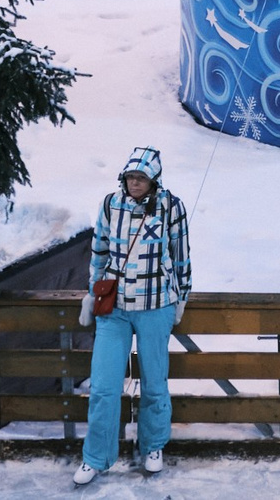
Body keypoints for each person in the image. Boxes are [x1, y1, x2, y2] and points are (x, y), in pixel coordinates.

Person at [79, 147, 192, 483]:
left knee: (155, 382)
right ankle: (96, 457)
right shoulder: (109, 205)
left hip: (157, 307)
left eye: (141, 178)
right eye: (131, 177)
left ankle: (153, 446)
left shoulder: (171, 207)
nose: (135, 183)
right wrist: (92, 291)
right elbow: (98, 251)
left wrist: (181, 297)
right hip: (114, 310)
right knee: (103, 386)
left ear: (153, 180)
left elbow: (181, 254)